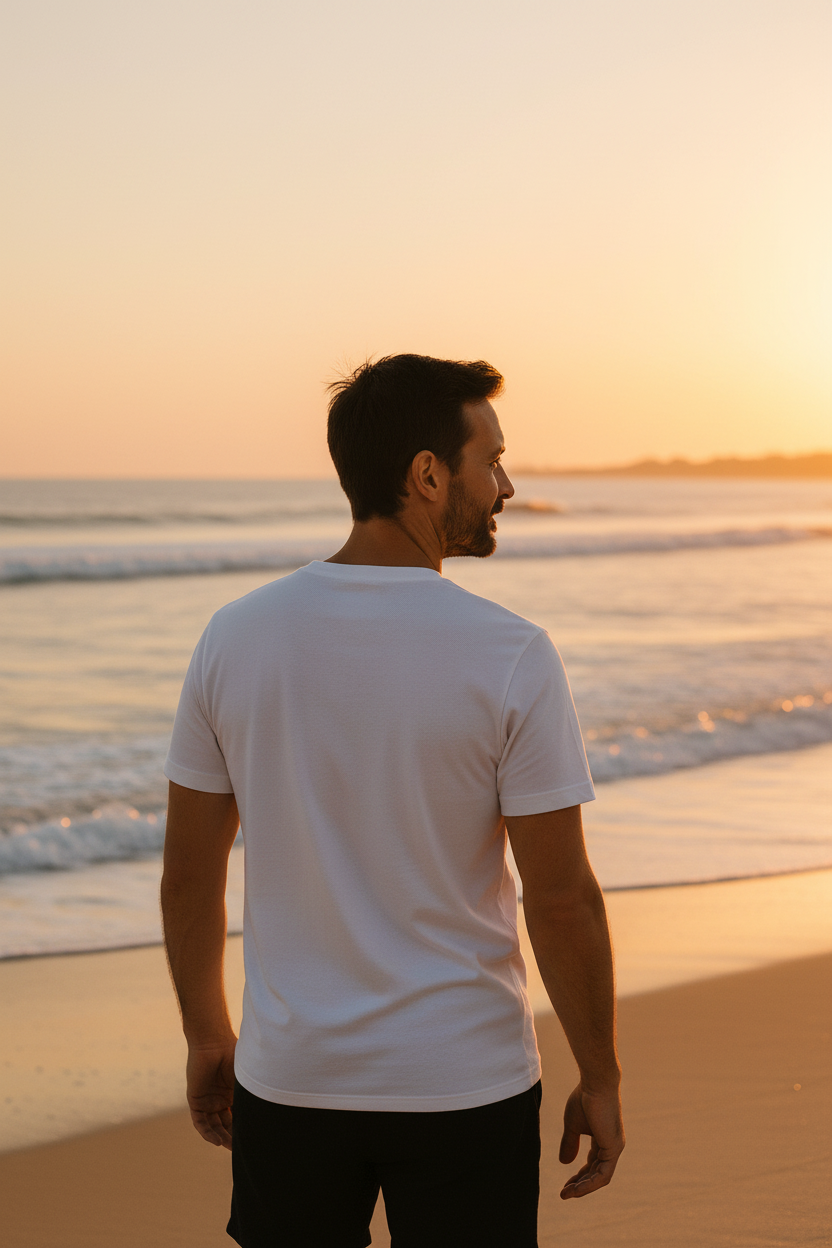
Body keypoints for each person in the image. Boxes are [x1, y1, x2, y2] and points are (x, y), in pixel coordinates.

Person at [161, 353, 624, 1248]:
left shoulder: (235, 638)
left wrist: (209, 1038)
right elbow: (562, 899)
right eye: (491, 460)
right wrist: (600, 1076)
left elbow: (189, 874)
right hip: (463, 1085)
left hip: (290, 1081)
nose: (507, 485)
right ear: (427, 474)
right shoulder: (511, 653)